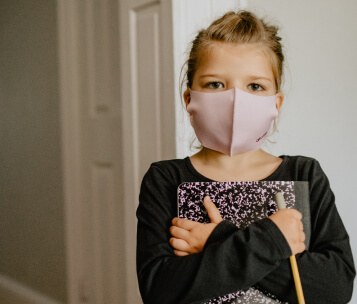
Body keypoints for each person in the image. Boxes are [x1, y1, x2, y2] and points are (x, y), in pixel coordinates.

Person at [136, 10, 355, 304]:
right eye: (215, 84)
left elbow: (335, 289)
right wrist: (273, 240)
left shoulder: (305, 174)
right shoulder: (165, 180)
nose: (236, 102)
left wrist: (218, 240)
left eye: (255, 86)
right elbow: (159, 290)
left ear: (275, 103)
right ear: (189, 99)